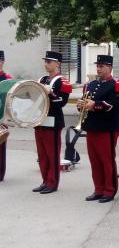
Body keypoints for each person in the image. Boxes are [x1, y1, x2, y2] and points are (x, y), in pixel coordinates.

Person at [78, 55, 119, 203]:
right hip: (92, 127)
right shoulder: (90, 85)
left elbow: (114, 105)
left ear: (110, 67)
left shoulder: (116, 85)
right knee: (95, 160)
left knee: (106, 160)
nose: (98, 69)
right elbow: (86, 103)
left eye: (102, 66)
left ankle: (109, 190)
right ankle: (98, 189)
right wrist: (82, 105)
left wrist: (94, 104)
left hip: (107, 128)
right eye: (97, 66)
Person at [32, 51, 72, 194]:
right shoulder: (42, 79)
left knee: (52, 154)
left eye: (49, 61)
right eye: (45, 61)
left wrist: (51, 93)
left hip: (53, 121)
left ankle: (52, 183)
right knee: (42, 154)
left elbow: (62, 102)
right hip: (39, 120)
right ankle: (45, 181)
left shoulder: (63, 81)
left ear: (58, 64)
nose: (46, 64)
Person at [0, 50, 12, 182]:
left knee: (0, 147)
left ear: (2, 62)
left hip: (2, 116)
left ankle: (0, 174)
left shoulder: (8, 78)